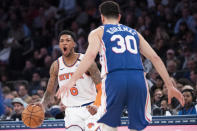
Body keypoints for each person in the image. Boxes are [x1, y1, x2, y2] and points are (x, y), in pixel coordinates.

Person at [56, 1, 185, 131]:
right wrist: (170, 85)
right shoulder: (134, 33)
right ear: (119, 16)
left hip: (114, 78)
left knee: (108, 126)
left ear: (102, 17)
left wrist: (71, 81)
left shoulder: (98, 32)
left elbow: (89, 57)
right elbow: (155, 58)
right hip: (138, 78)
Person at [38, 30, 102, 131]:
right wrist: (42, 104)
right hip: (71, 112)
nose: (64, 43)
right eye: (61, 41)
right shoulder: (56, 65)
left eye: (68, 40)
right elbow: (50, 92)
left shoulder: (87, 61)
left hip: (91, 108)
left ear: (74, 44)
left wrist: (97, 105)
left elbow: (101, 87)